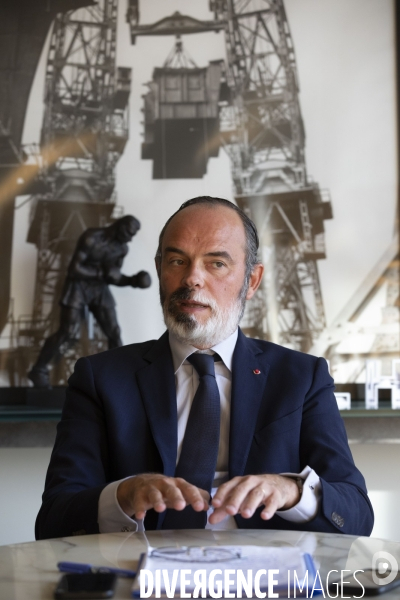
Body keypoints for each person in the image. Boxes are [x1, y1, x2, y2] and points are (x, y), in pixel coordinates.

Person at [35, 197, 374, 539]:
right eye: (178, 260)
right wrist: (121, 497)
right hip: (142, 580)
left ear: (252, 281)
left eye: (216, 264)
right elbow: (54, 520)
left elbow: (356, 514)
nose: (192, 278)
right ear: (160, 271)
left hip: (266, 581)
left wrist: (293, 492)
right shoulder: (100, 379)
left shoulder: (302, 377)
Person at [28, 215, 151, 388]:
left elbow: (112, 277)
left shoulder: (122, 249)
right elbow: (74, 269)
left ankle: (119, 375)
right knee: (67, 331)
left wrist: (132, 281)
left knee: (114, 332)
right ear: (120, 226)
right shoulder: (92, 237)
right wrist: (101, 275)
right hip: (77, 285)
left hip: (98, 288)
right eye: (129, 233)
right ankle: (38, 370)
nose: (130, 239)